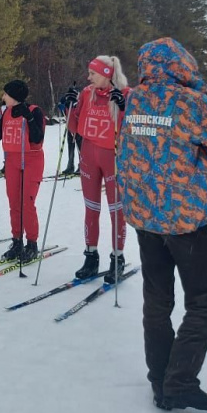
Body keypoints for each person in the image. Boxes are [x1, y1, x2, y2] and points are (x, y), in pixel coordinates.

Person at [118, 37, 207, 411]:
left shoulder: (134, 99)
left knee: (157, 300)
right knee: (204, 299)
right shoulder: (196, 103)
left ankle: (160, 380)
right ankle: (179, 381)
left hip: (145, 215)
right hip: (186, 218)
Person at [65, 56, 130, 283]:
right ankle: (90, 257)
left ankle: (117, 259)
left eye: (93, 73)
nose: (88, 77)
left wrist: (122, 108)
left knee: (116, 210)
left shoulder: (124, 94)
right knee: (91, 208)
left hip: (113, 157)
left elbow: (130, 130)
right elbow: (74, 128)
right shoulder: (86, 93)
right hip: (89, 156)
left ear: (106, 74)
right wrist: (69, 106)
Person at [0, 79, 45, 262]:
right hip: (12, 160)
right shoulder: (5, 112)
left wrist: (29, 119)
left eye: (6, 94)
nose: (3, 97)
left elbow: (38, 138)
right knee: (14, 202)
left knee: (26, 202)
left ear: (14, 96)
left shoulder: (33, 111)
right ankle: (16, 241)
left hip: (31, 160)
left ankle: (32, 243)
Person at [59, 82, 83, 176]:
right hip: (70, 127)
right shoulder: (66, 100)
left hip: (78, 128)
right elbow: (62, 108)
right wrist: (62, 106)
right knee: (71, 147)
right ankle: (70, 166)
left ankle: (82, 166)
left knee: (80, 149)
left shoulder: (79, 101)